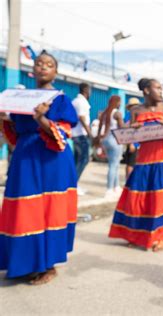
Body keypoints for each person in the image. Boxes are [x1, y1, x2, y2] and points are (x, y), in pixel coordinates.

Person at [0, 51, 78, 284]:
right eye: (39, 63)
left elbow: (63, 135)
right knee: (23, 206)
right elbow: (15, 133)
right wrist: (3, 119)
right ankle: (23, 262)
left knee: (48, 208)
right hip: (25, 156)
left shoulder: (60, 99)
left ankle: (48, 265)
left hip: (52, 159)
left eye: (49, 64)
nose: (43, 67)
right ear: (32, 70)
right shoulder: (19, 97)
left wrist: (41, 118)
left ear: (56, 72)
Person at [108, 78, 163, 252]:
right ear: (146, 90)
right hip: (144, 159)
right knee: (136, 198)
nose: (161, 91)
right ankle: (136, 234)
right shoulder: (136, 110)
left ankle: (161, 236)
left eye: (162, 88)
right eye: (158, 88)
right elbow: (130, 137)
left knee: (161, 199)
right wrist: (134, 128)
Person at [96, 95, 125, 198]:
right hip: (115, 139)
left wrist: (99, 138)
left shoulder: (105, 113)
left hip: (106, 139)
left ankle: (116, 187)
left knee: (114, 164)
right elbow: (122, 127)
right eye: (119, 102)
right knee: (114, 165)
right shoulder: (117, 114)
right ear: (116, 102)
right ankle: (109, 189)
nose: (120, 104)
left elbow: (100, 126)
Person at [71, 82, 92, 196]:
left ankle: (73, 183)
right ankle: (74, 184)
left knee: (77, 160)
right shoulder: (80, 102)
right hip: (80, 135)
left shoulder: (76, 101)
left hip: (77, 134)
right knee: (83, 160)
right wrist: (89, 133)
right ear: (86, 90)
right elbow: (82, 117)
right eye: (90, 90)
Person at [123, 97, 141, 180]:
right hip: (133, 144)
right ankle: (129, 181)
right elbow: (128, 131)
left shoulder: (134, 115)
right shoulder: (129, 116)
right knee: (131, 164)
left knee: (133, 164)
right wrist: (131, 143)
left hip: (136, 143)